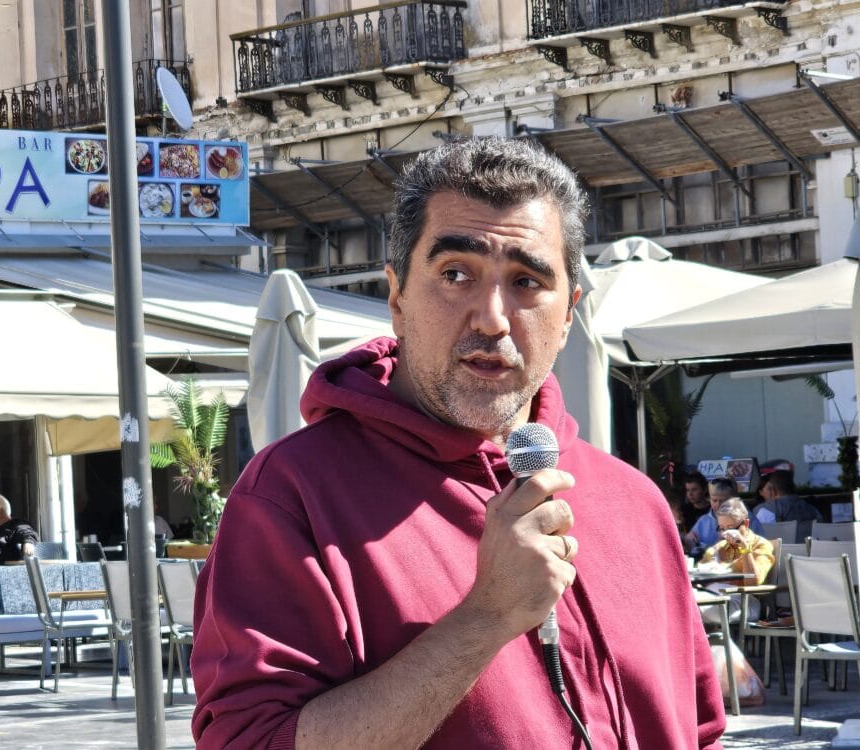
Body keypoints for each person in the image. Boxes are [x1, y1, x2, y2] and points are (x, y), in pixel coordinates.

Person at [191, 137, 725, 748]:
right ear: (397, 297)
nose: (493, 318)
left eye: (527, 281)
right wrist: (486, 618)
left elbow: (700, 730)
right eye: (455, 274)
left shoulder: (635, 502)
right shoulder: (292, 497)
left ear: (568, 315)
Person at [696, 498, 775, 623]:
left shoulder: (760, 545)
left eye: (731, 528)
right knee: (679, 599)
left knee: (690, 604)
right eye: (722, 528)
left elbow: (753, 582)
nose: (726, 534)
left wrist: (744, 548)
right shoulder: (720, 547)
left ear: (746, 524)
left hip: (745, 601)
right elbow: (699, 575)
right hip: (714, 595)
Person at [684, 477, 766, 558]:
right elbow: (689, 543)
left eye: (723, 501)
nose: (718, 505)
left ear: (733, 499)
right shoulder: (704, 521)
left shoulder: (747, 519)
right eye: (714, 500)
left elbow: (761, 548)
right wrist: (687, 542)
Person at [753, 469, 822, 543]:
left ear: (774, 491)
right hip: (809, 550)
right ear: (794, 488)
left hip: (778, 550)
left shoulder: (764, 511)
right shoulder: (814, 511)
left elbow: (757, 540)